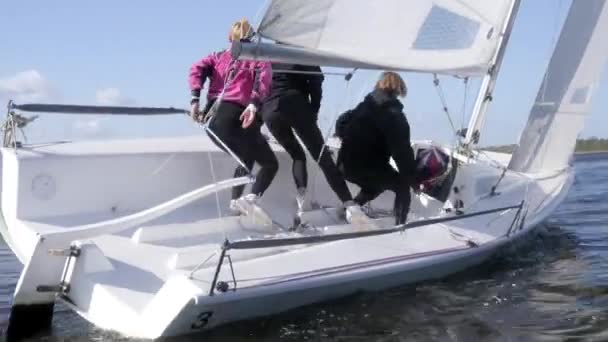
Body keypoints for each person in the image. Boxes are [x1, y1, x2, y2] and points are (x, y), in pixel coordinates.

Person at [188, 18, 278, 225]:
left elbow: (196, 69)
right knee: (269, 163)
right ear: (252, 37)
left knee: (245, 158)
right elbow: (264, 81)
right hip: (236, 116)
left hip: (213, 123)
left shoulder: (218, 56)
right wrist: (254, 103)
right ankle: (248, 200)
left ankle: (235, 205)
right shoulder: (258, 58)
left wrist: (195, 99)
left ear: (230, 37)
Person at [260, 62, 370, 225]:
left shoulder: (271, 56)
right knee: (323, 159)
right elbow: (316, 84)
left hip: (269, 110)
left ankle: (300, 203)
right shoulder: (303, 55)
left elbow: (261, 84)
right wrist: (313, 111)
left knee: (297, 155)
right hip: (295, 104)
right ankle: (350, 206)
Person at [334, 72, 417, 225]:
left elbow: (341, 123)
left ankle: (349, 210)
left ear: (379, 85)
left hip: (344, 165)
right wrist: (413, 179)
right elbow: (402, 153)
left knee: (376, 184)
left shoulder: (364, 105)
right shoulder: (394, 115)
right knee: (402, 186)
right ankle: (400, 228)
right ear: (399, 90)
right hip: (367, 167)